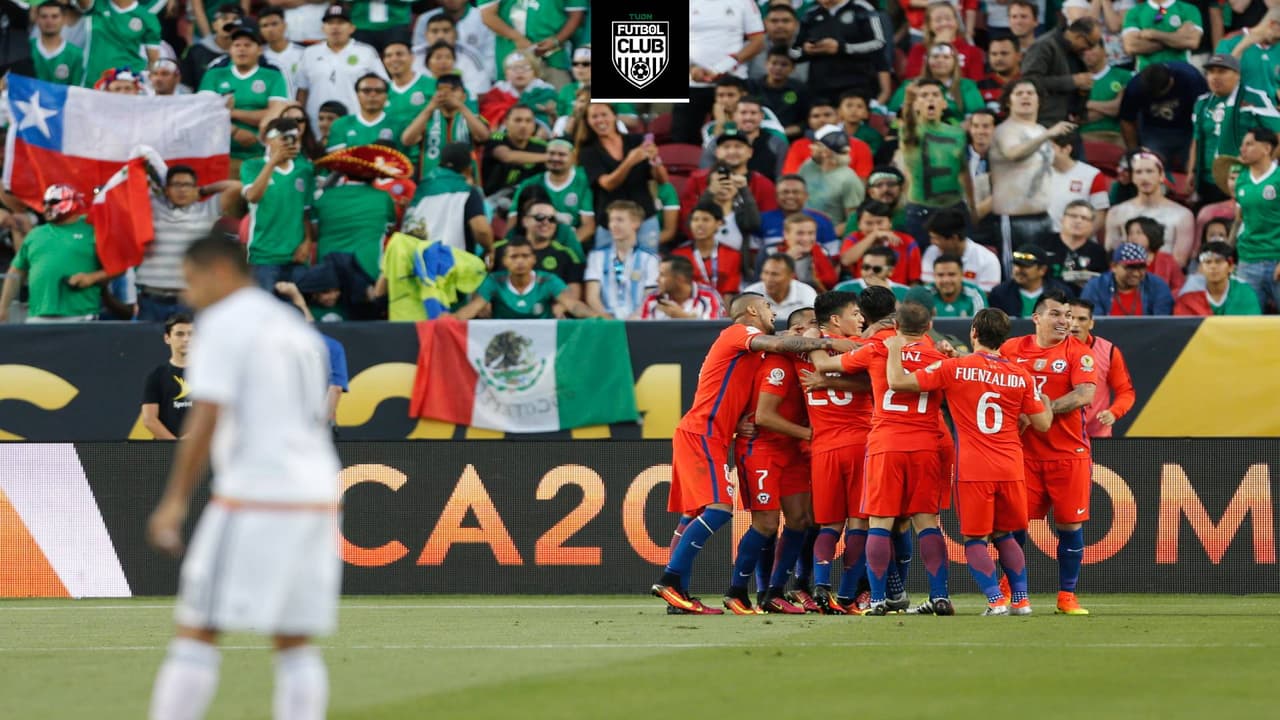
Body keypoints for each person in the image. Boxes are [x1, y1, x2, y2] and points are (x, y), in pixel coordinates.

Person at [145, 236, 341, 720]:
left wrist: (174, 500)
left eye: (191, 281)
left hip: (258, 493)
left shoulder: (225, 324)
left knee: (197, 629)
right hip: (317, 490)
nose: (189, 295)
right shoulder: (294, 328)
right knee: (294, 641)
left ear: (216, 272)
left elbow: (207, 414)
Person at [652, 294, 853, 614]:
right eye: (767, 307)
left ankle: (681, 594)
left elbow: (737, 390)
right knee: (719, 510)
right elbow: (778, 345)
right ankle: (672, 581)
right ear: (751, 310)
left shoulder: (753, 354)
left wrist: (736, 424)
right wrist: (829, 342)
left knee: (696, 512)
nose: (773, 312)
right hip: (703, 434)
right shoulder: (738, 333)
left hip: (717, 436)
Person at [887, 307, 1052, 616]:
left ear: (974, 332)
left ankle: (995, 601)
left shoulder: (955, 368)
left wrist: (895, 349)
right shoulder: (1021, 375)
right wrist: (1045, 401)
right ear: (1004, 337)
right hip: (1011, 465)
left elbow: (897, 381)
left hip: (975, 467)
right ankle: (1021, 601)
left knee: (975, 538)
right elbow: (1042, 424)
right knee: (1005, 534)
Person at [811, 299, 954, 615]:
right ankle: (940, 596)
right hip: (925, 446)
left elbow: (824, 365)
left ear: (896, 326)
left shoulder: (876, 349)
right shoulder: (939, 359)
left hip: (885, 445)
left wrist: (813, 340)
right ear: (929, 327)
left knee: (879, 522)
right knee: (926, 522)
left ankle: (876, 600)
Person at [998, 289, 1097, 615]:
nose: (1064, 321)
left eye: (1067, 315)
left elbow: (1085, 394)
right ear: (1036, 317)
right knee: (1014, 525)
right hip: (1023, 454)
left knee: (1069, 526)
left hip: (1068, 454)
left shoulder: (1078, 352)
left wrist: (1043, 409)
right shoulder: (1012, 349)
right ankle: (1010, 589)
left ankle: (1066, 596)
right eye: (1056, 314)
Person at [791, 289, 877, 613]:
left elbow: (788, 340)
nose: (861, 319)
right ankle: (847, 594)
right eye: (855, 313)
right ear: (836, 319)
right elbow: (874, 383)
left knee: (828, 525)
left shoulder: (801, 348)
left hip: (823, 449)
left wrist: (816, 337)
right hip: (859, 444)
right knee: (859, 524)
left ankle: (822, 588)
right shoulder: (860, 348)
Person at [723, 309, 814, 613]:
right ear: (797, 331)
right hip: (761, 448)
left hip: (792, 450)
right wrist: (809, 434)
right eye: (815, 324)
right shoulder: (779, 364)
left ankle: (774, 592)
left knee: (800, 519)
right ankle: (737, 590)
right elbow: (763, 417)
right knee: (766, 523)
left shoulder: (807, 362)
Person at [990, 79, 1078, 276]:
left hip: (1044, 216)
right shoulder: (1005, 130)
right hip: (1014, 219)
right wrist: (1047, 135)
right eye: (1019, 93)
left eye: (1030, 93)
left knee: (1042, 273)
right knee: (1015, 274)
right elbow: (1013, 153)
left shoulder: (1039, 130)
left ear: (1039, 100)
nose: (1025, 97)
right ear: (1008, 101)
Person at [139, 164, 243, 322]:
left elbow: (236, 186)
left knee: (193, 339)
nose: (182, 190)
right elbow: (132, 187)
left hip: (189, 299)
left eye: (187, 185)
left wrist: (203, 191)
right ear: (167, 189)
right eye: (176, 185)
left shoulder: (207, 210)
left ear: (195, 188)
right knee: (147, 339)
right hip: (152, 298)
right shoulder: (152, 207)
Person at [0, 184, 102, 323]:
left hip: (81, 316)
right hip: (37, 317)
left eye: (53, 202)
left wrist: (91, 278)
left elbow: (117, 267)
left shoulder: (92, 229)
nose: (47, 207)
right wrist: (3, 308)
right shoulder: (35, 234)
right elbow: (16, 271)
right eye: (45, 203)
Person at [1187, 53, 1280, 204]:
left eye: (1222, 71)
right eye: (1211, 72)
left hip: (1244, 177)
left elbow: (1278, 134)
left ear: (1237, 75)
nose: (1215, 77)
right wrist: (1191, 171)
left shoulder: (1255, 98)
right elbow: (1196, 140)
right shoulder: (1201, 103)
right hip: (1208, 180)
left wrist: (1263, 169)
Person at [577, 103, 667, 251]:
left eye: (604, 114)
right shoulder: (588, 151)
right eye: (594, 116)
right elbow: (607, 184)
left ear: (614, 116)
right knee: (610, 264)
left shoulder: (636, 141)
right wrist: (629, 161)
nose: (600, 120)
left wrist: (655, 160)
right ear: (588, 121)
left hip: (644, 217)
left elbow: (662, 179)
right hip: (610, 223)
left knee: (647, 262)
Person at [241, 117, 316, 290]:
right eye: (284, 138)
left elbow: (306, 211)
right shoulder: (252, 165)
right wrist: (273, 162)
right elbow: (253, 196)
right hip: (263, 257)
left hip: (296, 257)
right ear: (268, 139)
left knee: (297, 305)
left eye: (295, 139)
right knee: (265, 305)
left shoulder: (304, 171)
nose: (290, 143)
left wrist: (307, 241)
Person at [199, 25, 290, 167]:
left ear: (259, 50)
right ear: (230, 50)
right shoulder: (214, 74)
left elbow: (274, 114)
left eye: (247, 45)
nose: (241, 49)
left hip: (261, 155)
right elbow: (204, 113)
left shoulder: (274, 76)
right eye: (237, 45)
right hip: (221, 155)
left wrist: (230, 112)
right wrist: (234, 131)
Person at [898, 79, 973, 246]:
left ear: (944, 104)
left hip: (955, 207)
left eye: (935, 95)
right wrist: (908, 101)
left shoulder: (958, 134)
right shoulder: (910, 132)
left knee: (963, 257)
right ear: (916, 105)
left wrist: (972, 207)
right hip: (921, 210)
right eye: (924, 95)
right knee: (924, 259)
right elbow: (908, 123)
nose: (930, 99)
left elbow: (964, 172)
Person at [455, 236, 600, 320]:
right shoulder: (494, 281)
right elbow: (473, 308)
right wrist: (450, 321)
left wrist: (598, 318)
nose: (520, 261)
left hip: (543, 343)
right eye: (514, 257)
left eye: (525, 256)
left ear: (533, 259)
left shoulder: (548, 280)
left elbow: (573, 305)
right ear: (504, 261)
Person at [296, 4, 388, 132]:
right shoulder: (309, 53)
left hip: (355, 121)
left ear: (352, 27)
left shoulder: (366, 52)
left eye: (340, 22)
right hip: (317, 123)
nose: (335, 27)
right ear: (323, 28)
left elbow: (383, 85)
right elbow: (302, 91)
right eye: (330, 23)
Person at [791, 0, 890, 106]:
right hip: (820, 90)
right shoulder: (810, 14)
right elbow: (793, 52)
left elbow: (879, 43)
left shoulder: (861, 8)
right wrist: (806, 51)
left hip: (856, 87)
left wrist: (842, 48)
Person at [402, 142, 493, 255]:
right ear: (468, 169)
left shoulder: (421, 190)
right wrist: (490, 249)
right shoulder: (467, 191)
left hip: (417, 259)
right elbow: (481, 231)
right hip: (452, 261)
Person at [1105, 151, 1195, 265]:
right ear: (1133, 178)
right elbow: (1112, 255)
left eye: (1149, 171)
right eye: (1138, 172)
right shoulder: (1116, 213)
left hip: (1165, 274)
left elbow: (1179, 261)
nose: (1144, 177)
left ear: (1161, 176)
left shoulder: (1183, 215)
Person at [1117, 62, 1207, 171]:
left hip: (1190, 129)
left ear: (1171, 81)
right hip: (1154, 131)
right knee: (1149, 168)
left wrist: (1196, 150)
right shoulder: (1135, 86)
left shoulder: (1190, 78)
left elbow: (1204, 115)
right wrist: (1135, 153)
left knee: (1197, 169)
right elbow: (1126, 120)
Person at [400, 73, 491, 180]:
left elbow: (483, 136)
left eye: (453, 90)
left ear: (464, 96)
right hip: (432, 183)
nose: (448, 94)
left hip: (466, 183)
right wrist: (430, 107)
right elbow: (407, 140)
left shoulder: (473, 118)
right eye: (441, 90)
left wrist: (461, 107)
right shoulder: (426, 119)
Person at [1068, 297, 1137, 438]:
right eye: (1070, 317)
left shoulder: (1108, 351)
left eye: (1082, 319)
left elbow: (1125, 391)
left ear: (1091, 323)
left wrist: (1113, 412)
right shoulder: (1048, 349)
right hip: (1058, 437)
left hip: (1096, 436)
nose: (1075, 324)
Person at [509, 139, 596, 245]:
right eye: (551, 154)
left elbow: (588, 226)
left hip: (571, 242)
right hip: (535, 244)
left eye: (562, 154)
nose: (555, 158)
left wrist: (564, 247)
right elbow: (513, 221)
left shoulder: (583, 180)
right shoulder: (530, 183)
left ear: (573, 157)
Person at [1230, 126, 1280, 311]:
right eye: (1242, 144)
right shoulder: (1241, 180)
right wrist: (1228, 251)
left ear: (1266, 148)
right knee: (1245, 320)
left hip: (1277, 258)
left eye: (1249, 144)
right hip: (1248, 260)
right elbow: (1239, 220)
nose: (1242, 149)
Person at [479, 0, 584, 87]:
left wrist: (556, 40)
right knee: (513, 103)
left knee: (558, 101)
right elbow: (487, 15)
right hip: (513, 57)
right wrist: (517, 38)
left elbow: (576, 15)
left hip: (554, 58)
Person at [584, 201, 661, 319]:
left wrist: (633, 320)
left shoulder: (650, 259)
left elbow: (650, 295)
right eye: (611, 220)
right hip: (606, 323)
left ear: (635, 223)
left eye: (620, 220)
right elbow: (592, 297)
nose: (613, 225)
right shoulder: (597, 257)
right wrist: (609, 320)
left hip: (639, 322)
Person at [493, 199, 586, 297]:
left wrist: (559, 305)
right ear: (525, 221)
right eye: (539, 217)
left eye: (552, 219)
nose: (546, 222)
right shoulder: (497, 250)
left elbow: (573, 295)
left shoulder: (567, 255)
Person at [1019, 16, 1099, 128]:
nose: (1089, 49)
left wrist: (1082, 96)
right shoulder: (1044, 45)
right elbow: (1029, 81)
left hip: (1068, 122)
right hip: (1044, 122)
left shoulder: (1075, 52)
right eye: (1090, 44)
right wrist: (1072, 81)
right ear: (1079, 37)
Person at [888, 43, 987, 123]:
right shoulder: (910, 85)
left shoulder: (967, 86)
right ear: (927, 61)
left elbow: (977, 117)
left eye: (946, 57)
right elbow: (891, 116)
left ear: (955, 62)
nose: (940, 60)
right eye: (935, 57)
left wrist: (954, 133)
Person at [699, 97, 792, 180]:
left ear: (762, 116)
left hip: (764, 191)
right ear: (734, 115)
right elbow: (705, 175)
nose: (748, 117)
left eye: (753, 113)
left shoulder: (777, 144)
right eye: (743, 113)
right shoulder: (717, 142)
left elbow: (781, 179)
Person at [75, 0, 159, 87]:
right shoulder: (97, 4)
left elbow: (153, 61)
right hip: (94, 79)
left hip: (129, 83)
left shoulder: (148, 17)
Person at [839, 199, 922, 286]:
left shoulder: (907, 241)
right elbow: (845, 261)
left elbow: (914, 280)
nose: (875, 228)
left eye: (880, 222)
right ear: (859, 224)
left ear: (890, 222)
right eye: (869, 223)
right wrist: (873, 236)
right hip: (862, 290)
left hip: (897, 291)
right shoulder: (853, 239)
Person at [920, 207, 1003, 291]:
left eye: (936, 238)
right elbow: (928, 289)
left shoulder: (987, 260)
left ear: (954, 238)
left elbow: (985, 295)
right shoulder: (931, 252)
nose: (932, 242)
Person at [671, 202, 743, 299]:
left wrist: (720, 309)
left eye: (706, 219)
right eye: (695, 220)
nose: (699, 224)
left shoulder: (732, 255)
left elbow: (730, 293)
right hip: (689, 305)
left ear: (719, 223)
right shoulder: (678, 255)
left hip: (721, 306)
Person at [1081, 241, 1176, 314]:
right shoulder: (1095, 287)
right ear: (1114, 267)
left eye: (1141, 267)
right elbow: (1094, 324)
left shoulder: (1158, 287)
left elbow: (1162, 325)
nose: (1136, 273)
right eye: (1130, 268)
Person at [1038, 199, 1111, 292]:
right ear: (1062, 219)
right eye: (1073, 216)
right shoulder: (1043, 244)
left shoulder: (1098, 253)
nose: (1078, 221)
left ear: (1091, 225)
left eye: (1084, 218)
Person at [759, 174, 839, 258]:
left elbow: (833, 257)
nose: (790, 196)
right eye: (785, 192)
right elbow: (755, 257)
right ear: (776, 196)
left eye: (796, 192)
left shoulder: (823, 221)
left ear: (806, 196)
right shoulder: (762, 220)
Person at [141, 313, 194, 440]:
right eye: (180, 334)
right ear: (167, 338)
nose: (186, 339)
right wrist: (174, 445)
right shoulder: (156, 375)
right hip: (165, 449)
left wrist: (191, 440)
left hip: (198, 447)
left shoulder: (206, 374)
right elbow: (149, 419)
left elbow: (215, 415)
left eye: (191, 334)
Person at [481, 104, 547, 205]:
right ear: (506, 123)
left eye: (528, 121)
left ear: (534, 125)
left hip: (528, 201)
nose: (523, 125)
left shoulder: (542, 146)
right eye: (518, 120)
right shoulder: (496, 138)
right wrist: (548, 157)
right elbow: (506, 156)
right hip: (493, 200)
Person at [1174, 240, 1264, 314]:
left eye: (1218, 261)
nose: (1213, 266)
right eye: (1208, 262)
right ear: (1200, 268)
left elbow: (1250, 327)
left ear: (1231, 267)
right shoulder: (1189, 292)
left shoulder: (1244, 292)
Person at [904, 2, 987, 82]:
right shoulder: (918, 50)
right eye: (938, 20)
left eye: (948, 19)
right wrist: (936, 48)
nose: (944, 23)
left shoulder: (973, 51)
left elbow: (976, 83)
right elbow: (912, 80)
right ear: (929, 25)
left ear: (957, 22)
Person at [989, 244, 1079, 317]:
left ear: (1042, 270)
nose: (1017, 270)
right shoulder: (1000, 293)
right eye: (1016, 264)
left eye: (1025, 266)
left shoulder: (1062, 293)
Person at [324, 73, 404, 152]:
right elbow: (337, 157)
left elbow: (403, 157)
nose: (372, 95)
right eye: (366, 91)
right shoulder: (340, 124)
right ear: (357, 95)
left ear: (386, 96)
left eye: (378, 91)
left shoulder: (400, 125)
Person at [1048, 134, 1110, 234]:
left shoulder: (1092, 175)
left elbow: (1100, 214)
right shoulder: (1040, 173)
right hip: (1046, 238)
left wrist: (1082, 237)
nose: (1044, 152)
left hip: (1080, 238)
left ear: (1066, 149)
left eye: (1050, 147)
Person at [1121, 0, 1204, 70]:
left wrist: (1153, 34)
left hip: (1181, 73)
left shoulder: (1189, 9)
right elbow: (1131, 47)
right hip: (1146, 75)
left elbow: (1192, 42)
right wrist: (1175, 38)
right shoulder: (1134, 12)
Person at [1078, 40, 1132, 146]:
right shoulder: (1075, 80)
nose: (1086, 53)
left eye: (1091, 48)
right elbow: (1075, 118)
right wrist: (1110, 107)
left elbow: (1118, 108)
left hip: (1115, 138)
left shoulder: (1125, 76)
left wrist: (1085, 103)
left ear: (1104, 50)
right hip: (1083, 140)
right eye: (1082, 50)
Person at [637, 257, 726, 320]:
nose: (657, 279)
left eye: (662, 275)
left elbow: (714, 331)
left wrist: (683, 317)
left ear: (680, 278)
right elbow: (642, 332)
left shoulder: (709, 297)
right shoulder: (652, 299)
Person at [752, 46, 812, 142]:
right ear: (766, 64)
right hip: (758, 136)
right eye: (774, 63)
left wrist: (786, 131)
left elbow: (807, 120)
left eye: (784, 65)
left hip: (790, 138)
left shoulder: (800, 89)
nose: (778, 68)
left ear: (793, 68)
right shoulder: (753, 87)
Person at [770, 213, 839, 291]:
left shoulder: (821, 250)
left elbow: (831, 282)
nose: (806, 239)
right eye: (800, 233)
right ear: (786, 234)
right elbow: (764, 286)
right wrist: (786, 261)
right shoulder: (771, 252)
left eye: (811, 233)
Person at [743, 253, 819, 320]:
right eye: (765, 273)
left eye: (775, 274)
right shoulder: (750, 294)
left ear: (791, 276)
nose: (768, 279)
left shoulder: (807, 293)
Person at [1125, 215, 1185, 292]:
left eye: (1139, 233)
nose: (1133, 237)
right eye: (1130, 233)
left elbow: (1180, 288)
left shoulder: (1167, 260)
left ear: (1151, 234)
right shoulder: (1122, 259)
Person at [30, 0, 84, 86]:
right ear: (37, 19)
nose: (49, 21)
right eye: (44, 16)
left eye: (54, 16)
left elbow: (76, 89)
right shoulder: (27, 48)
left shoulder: (76, 55)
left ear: (64, 19)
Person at [835, 245, 911, 300]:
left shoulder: (906, 292)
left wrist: (888, 292)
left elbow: (903, 317)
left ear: (890, 271)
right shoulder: (843, 289)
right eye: (866, 267)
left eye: (877, 269)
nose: (870, 272)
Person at [258, 8, 304, 93]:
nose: (270, 29)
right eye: (265, 25)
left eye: (274, 24)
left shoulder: (302, 53)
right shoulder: (257, 55)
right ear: (260, 30)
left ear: (285, 25)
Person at [979, 37, 1023, 113]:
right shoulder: (979, 86)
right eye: (994, 54)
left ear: (1019, 56)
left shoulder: (1030, 82)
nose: (998, 58)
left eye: (1004, 53)